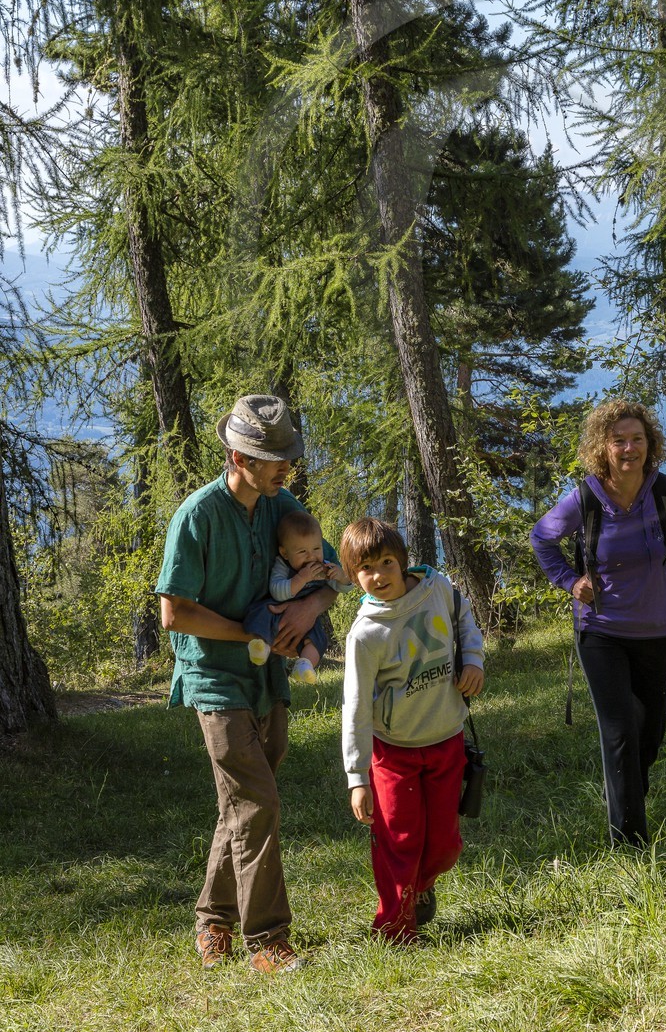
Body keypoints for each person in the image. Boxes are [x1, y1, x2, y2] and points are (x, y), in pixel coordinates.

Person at [156, 393, 339, 974]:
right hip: (214, 674)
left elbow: (333, 572)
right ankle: (268, 941)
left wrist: (310, 613)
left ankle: (212, 922)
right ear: (240, 457)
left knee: (243, 803)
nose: (288, 466)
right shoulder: (197, 514)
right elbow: (174, 612)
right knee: (257, 799)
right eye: (275, 457)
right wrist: (249, 635)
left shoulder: (281, 504)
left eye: (287, 456)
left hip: (267, 676)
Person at [530, 398, 666, 847]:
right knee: (619, 734)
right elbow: (542, 538)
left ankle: (628, 789)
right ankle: (629, 843)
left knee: (649, 734)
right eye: (619, 441)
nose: (629, 448)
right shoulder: (586, 498)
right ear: (603, 448)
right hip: (601, 632)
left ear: (650, 445)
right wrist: (571, 582)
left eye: (637, 440)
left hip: (657, 630)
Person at [339, 518, 484, 945]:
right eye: (366, 568)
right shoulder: (365, 635)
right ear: (353, 576)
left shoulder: (437, 589)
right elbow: (356, 708)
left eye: (387, 562)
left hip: (447, 739)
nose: (379, 575)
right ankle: (395, 928)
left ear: (403, 561)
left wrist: (473, 659)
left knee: (444, 844)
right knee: (400, 840)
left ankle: (421, 888)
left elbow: (464, 620)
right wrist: (358, 777)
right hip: (394, 752)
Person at [244, 509, 352, 684]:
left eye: (317, 548)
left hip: (308, 618)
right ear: (285, 553)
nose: (311, 556)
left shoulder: (323, 566)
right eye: (302, 552)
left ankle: (304, 665)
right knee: (259, 613)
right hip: (277, 609)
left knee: (318, 638)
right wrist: (301, 578)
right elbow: (277, 591)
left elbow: (342, 587)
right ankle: (261, 647)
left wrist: (341, 577)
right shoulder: (283, 565)